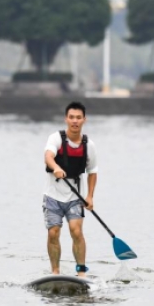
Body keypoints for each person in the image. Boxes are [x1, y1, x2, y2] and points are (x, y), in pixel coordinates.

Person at [43, 102, 98, 278]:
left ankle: (81, 272)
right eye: (72, 117)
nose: (75, 121)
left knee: (76, 230)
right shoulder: (56, 138)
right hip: (52, 196)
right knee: (54, 232)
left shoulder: (89, 145)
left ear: (84, 120)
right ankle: (55, 272)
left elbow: (92, 172)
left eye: (78, 118)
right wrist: (56, 167)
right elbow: (48, 156)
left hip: (75, 198)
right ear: (66, 119)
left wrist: (90, 196)